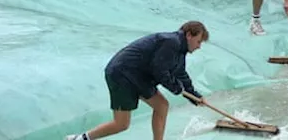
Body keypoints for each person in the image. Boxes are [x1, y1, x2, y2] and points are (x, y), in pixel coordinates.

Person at [65, 21, 209, 140]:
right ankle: (80, 139)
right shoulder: (171, 42)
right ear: (189, 35)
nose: (199, 46)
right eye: (198, 41)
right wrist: (176, 88)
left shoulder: (179, 51)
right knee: (121, 124)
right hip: (122, 74)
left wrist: (195, 97)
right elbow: (159, 70)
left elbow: (181, 74)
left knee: (161, 106)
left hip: (137, 77)